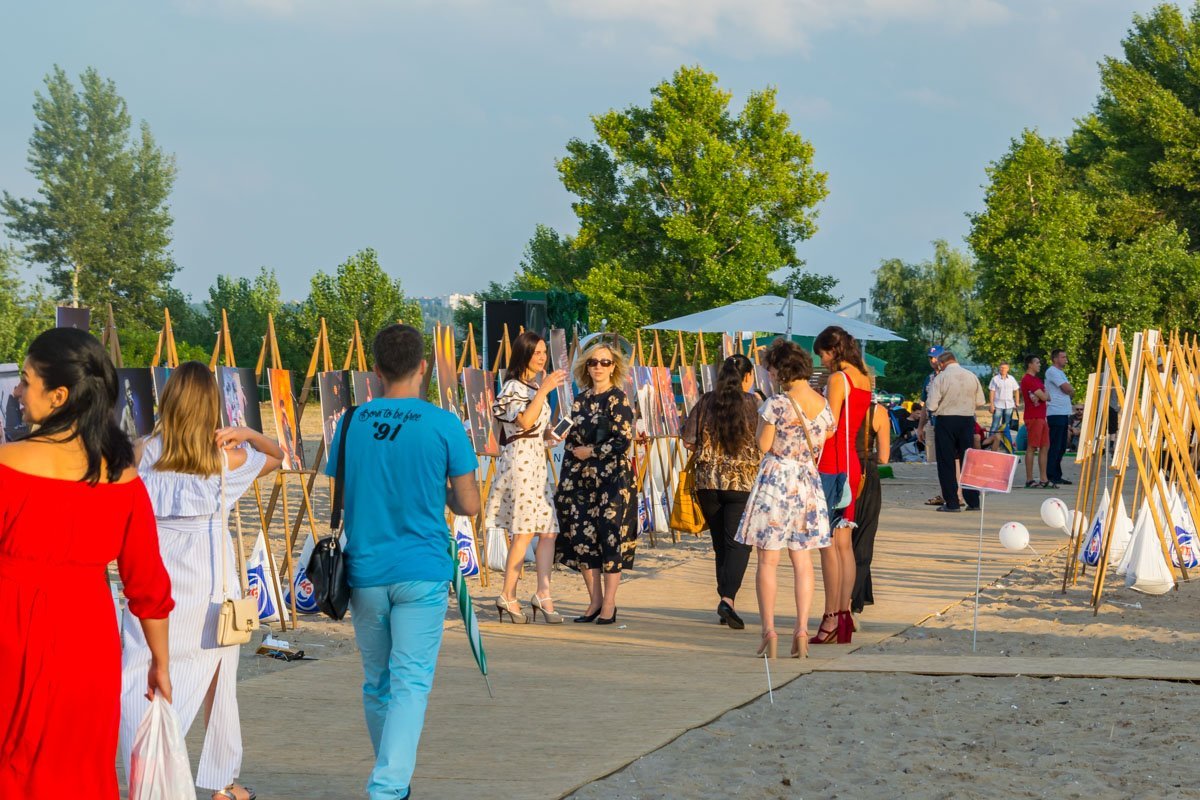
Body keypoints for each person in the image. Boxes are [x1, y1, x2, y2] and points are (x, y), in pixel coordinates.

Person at [0, 327, 174, 798]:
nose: (18, 391)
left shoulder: (7, 466)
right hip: (87, 640)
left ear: (58, 395)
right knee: (77, 767)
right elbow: (149, 587)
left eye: (26, 380)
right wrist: (161, 662)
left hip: (13, 633)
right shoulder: (121, 477)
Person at [325, 324, 481, 800]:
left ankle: (393, 780)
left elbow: (344, 495)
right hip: (422, 568)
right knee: (411, 684)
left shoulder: (351, 424)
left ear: (375, 370)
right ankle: (388, 788)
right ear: (424, 367)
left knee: (378, 683)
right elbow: (470, 505)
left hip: (366, 570)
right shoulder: (443, 424)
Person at [119, 362, 284, 800]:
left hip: (154, 583)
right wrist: (247, 433)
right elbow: (278, 456)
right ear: (211, 406)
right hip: (211, 590)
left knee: (140, 673)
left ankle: (146, 770)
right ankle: (221, 781)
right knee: (219, 680)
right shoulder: (229, 459)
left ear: (168, 402)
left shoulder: (142, 453)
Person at [735, 340, 833, 659]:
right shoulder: (823, 404)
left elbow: (763, 445)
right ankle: (802, 631)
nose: (770, 374)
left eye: (772, 368)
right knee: (803, 561)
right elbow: (826, 436)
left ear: (781, 369)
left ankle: (770, 632)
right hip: (806, 482)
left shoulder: (777, 403)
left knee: (768, 560)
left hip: (776, 481)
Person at [486, 331, 567, 624]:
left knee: (549, 530)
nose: (543, 358)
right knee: (523, 532)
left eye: (545, 352)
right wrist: (544, 390)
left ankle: (543, 593)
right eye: (537, 353)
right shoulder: (512, 388)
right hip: (519, 465)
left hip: (536, 462)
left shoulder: (533, 387)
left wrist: (549, 435)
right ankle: (508, 594)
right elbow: (522, 420)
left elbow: (533, 427)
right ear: (524, 355)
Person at [555, 342, 637, 625]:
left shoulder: (618, 399)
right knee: (582, 538)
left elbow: (623, 440)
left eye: (605, 362)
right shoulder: (579, 400)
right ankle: (594, 602)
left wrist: (591, 451)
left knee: (609, 537)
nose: (599, 367)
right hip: (580, 480)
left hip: (611, 479)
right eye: (593, 362)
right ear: (585, 367)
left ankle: (610, 604)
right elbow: (568, 433)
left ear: (614, 367)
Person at [681, 353, 761, 629]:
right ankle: (727, 599)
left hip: (708, 483)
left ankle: (725, 601)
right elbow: (764, 441)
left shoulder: (705, 401)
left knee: (720, 544)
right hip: (742, 483)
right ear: (748, 377)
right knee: (738, 543)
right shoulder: (754, 403)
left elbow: (688, 441)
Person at [811, 326, 872, 645]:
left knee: (828, 545)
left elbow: (829, 426)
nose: (821, 360)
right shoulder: (863, 379)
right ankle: (844, 614)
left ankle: (830, 616)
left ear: (832, 351)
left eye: (822, 354)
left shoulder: (839, 380)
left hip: (833, 462)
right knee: (844, 543)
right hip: (851, 461)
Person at [925, 350, 986, 512]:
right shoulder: (971, 376)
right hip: (966, 419)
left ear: (942, 363)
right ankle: (973, 501)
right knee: (968, 460)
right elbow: (980, 401)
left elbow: (931, 405)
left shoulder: (941, 377)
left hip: (946, 420)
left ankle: (952, 502)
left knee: (946, 462)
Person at [851, 399, 891, 615]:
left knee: (840, 544)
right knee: (863, 540)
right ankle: (854, 603)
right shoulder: (876, 411)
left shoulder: (832, 405)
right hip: (866, 474)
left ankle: (849, 601)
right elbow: (884, 456)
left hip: (838, 472)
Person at [1020, 354, 1052, 488]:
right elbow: (1044, 396)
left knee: (1045, 446)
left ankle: (1044, 479)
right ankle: (1029, 479)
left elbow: (1047, 396)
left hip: (1041, 416)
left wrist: (1043, 395)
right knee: (1032, 446)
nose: (1039, 365)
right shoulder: (1028, 379)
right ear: (1030, 365)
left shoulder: (1037, 380)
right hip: (1033, 416)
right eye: (1037, 362)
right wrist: (1043, 395)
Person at [1045, 349, 1074, 486]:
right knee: (1055, 445)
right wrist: (1071, 390)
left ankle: (1057, 473)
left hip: (1063, 412)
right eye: (1063, 357)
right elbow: (1067, 389)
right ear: (1055, 359)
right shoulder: (1052, 371)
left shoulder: (1060, 373)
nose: (1065, 359)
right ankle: (1051, 474)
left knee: (1062, 445)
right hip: (1055, 412)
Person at [988, 361, 1020, 435]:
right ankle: (989, 443)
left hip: (1009, 405)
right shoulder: (995, 379)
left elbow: (1016, 390)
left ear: (1008, 369)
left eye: (1005, 368)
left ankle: (1004, 443)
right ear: (999, 368)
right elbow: (992, 392)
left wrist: (1017, 402)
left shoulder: (1011, 379)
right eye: (1001, 368)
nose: (1003, 369)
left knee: (1006, 425)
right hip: (998, 405)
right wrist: (991, 404)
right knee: (995, 425)